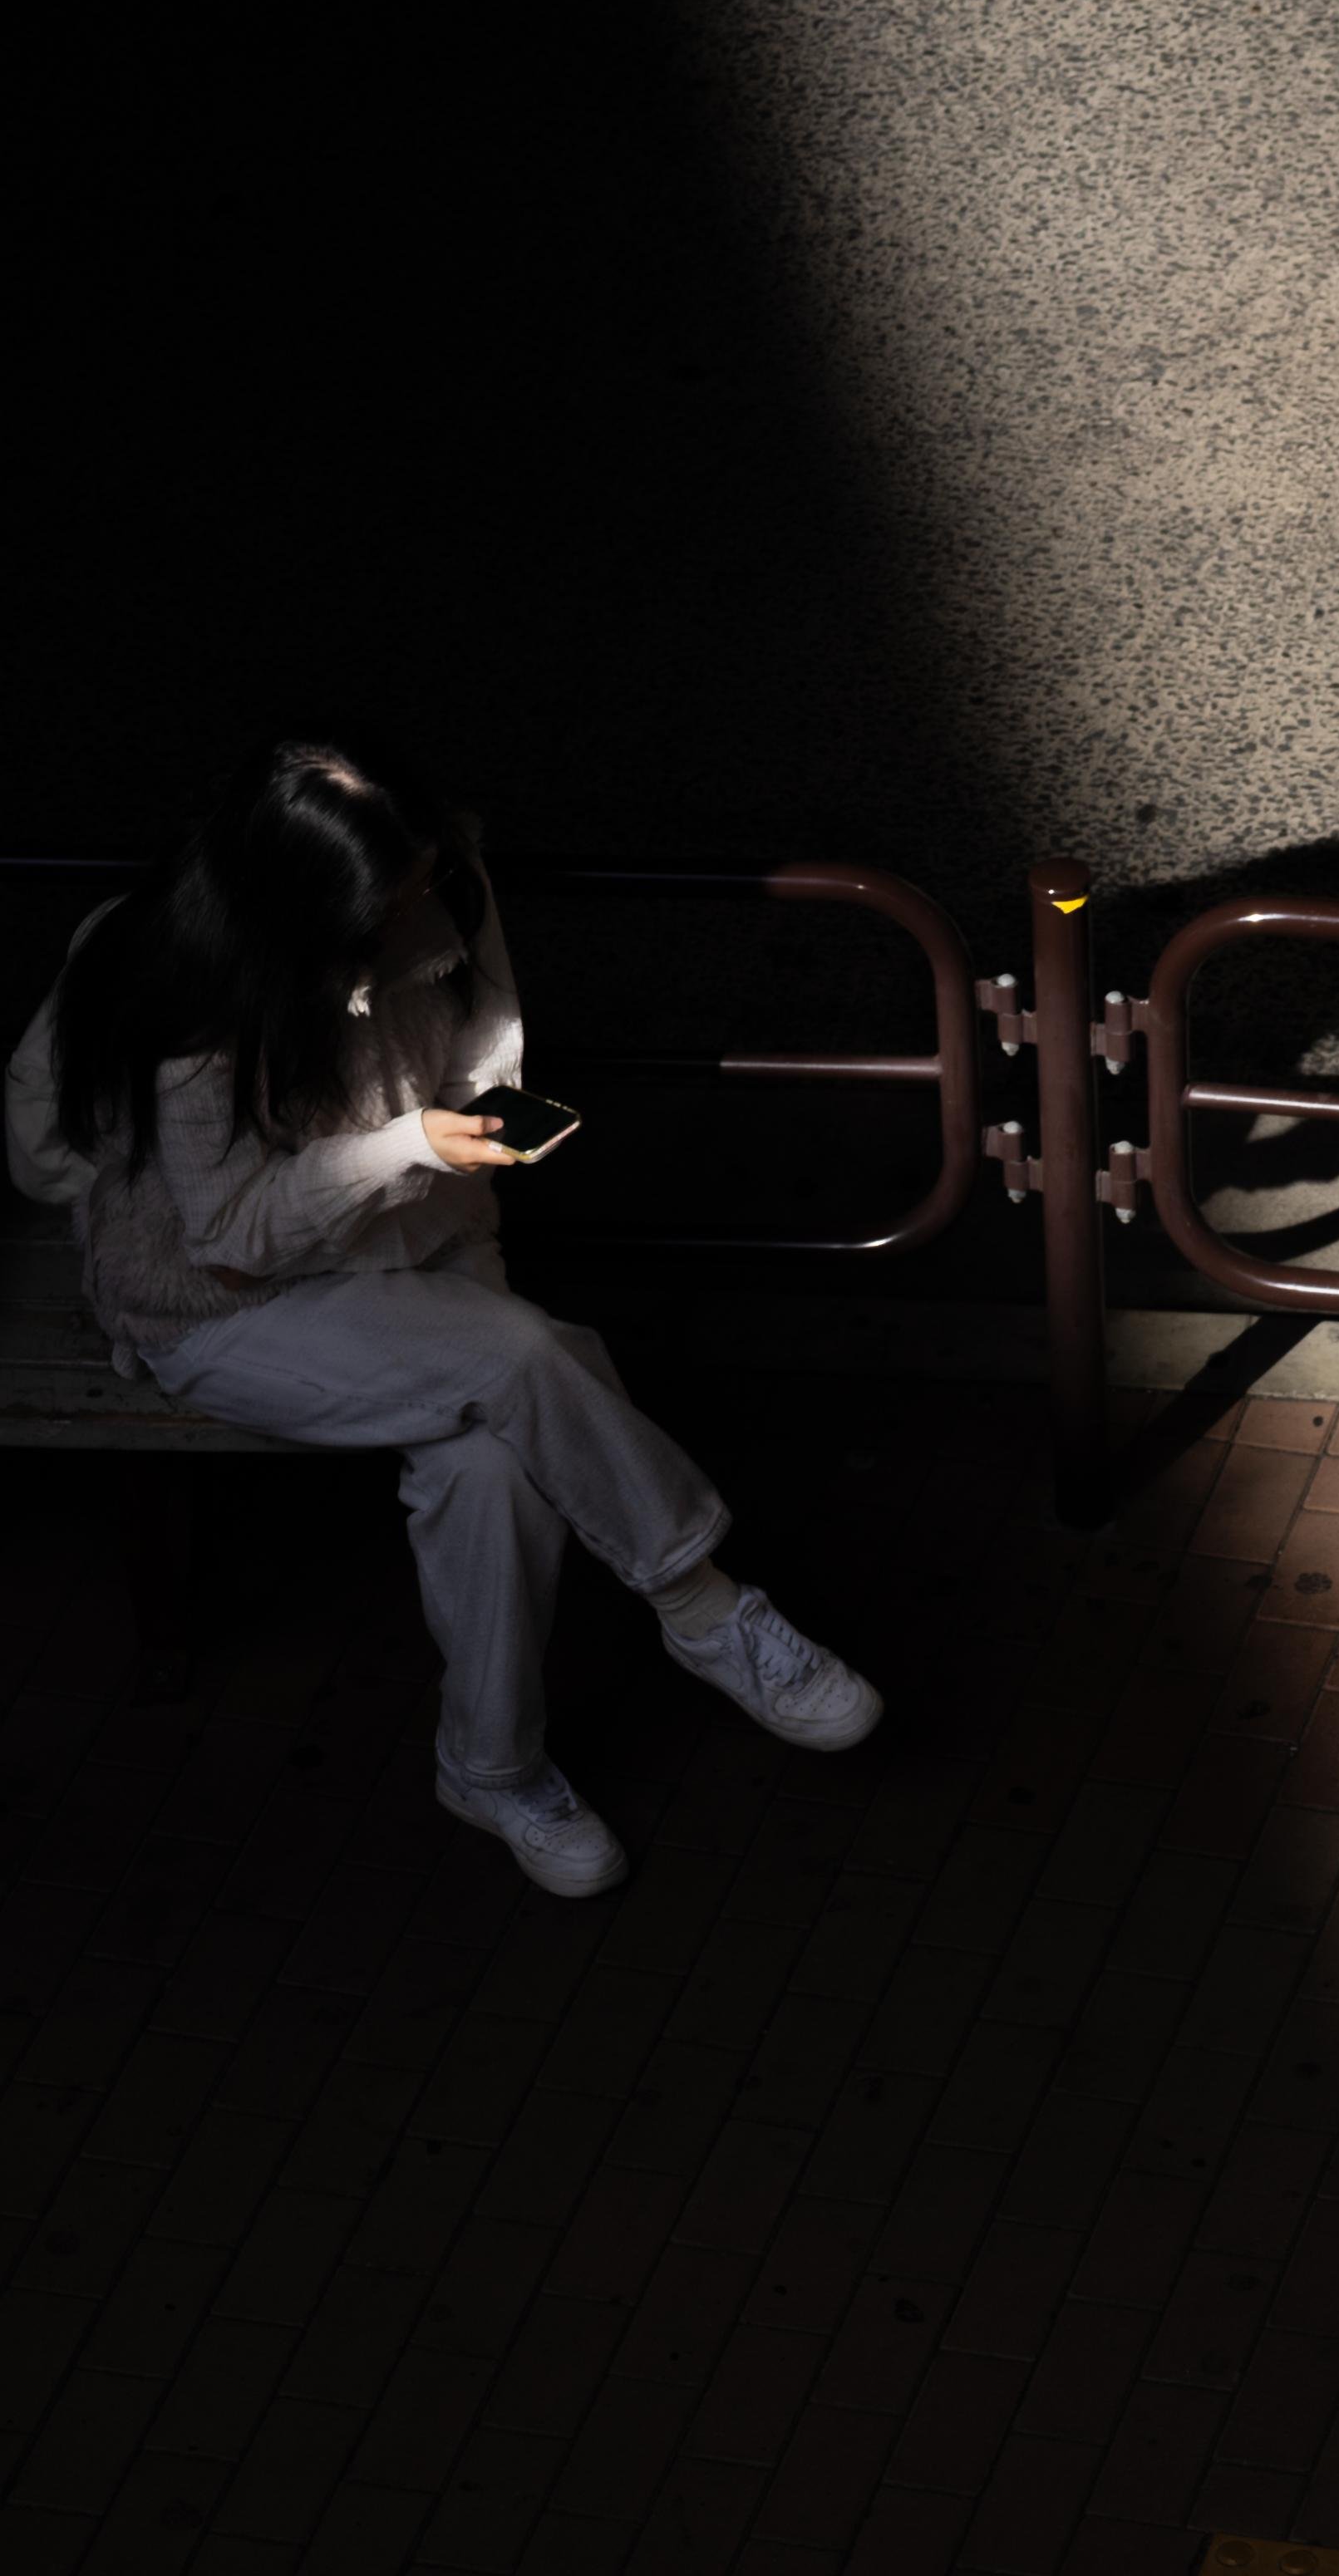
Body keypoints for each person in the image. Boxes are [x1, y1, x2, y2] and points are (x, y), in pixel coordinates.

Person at [2, 742, 882, 1896]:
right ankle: (699, 1600)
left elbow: (484, 1047)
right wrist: (405, 1146)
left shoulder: (441, 880)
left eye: (421, 880)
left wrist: (474, 1124)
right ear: (301, 914)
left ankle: (493, 1769)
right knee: (519, 1357)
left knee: (489, 1468)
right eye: (391, 901)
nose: (421, 906)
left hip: (424, 1243)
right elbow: (220, 1233)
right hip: (228, 1304)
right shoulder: (189, 990)